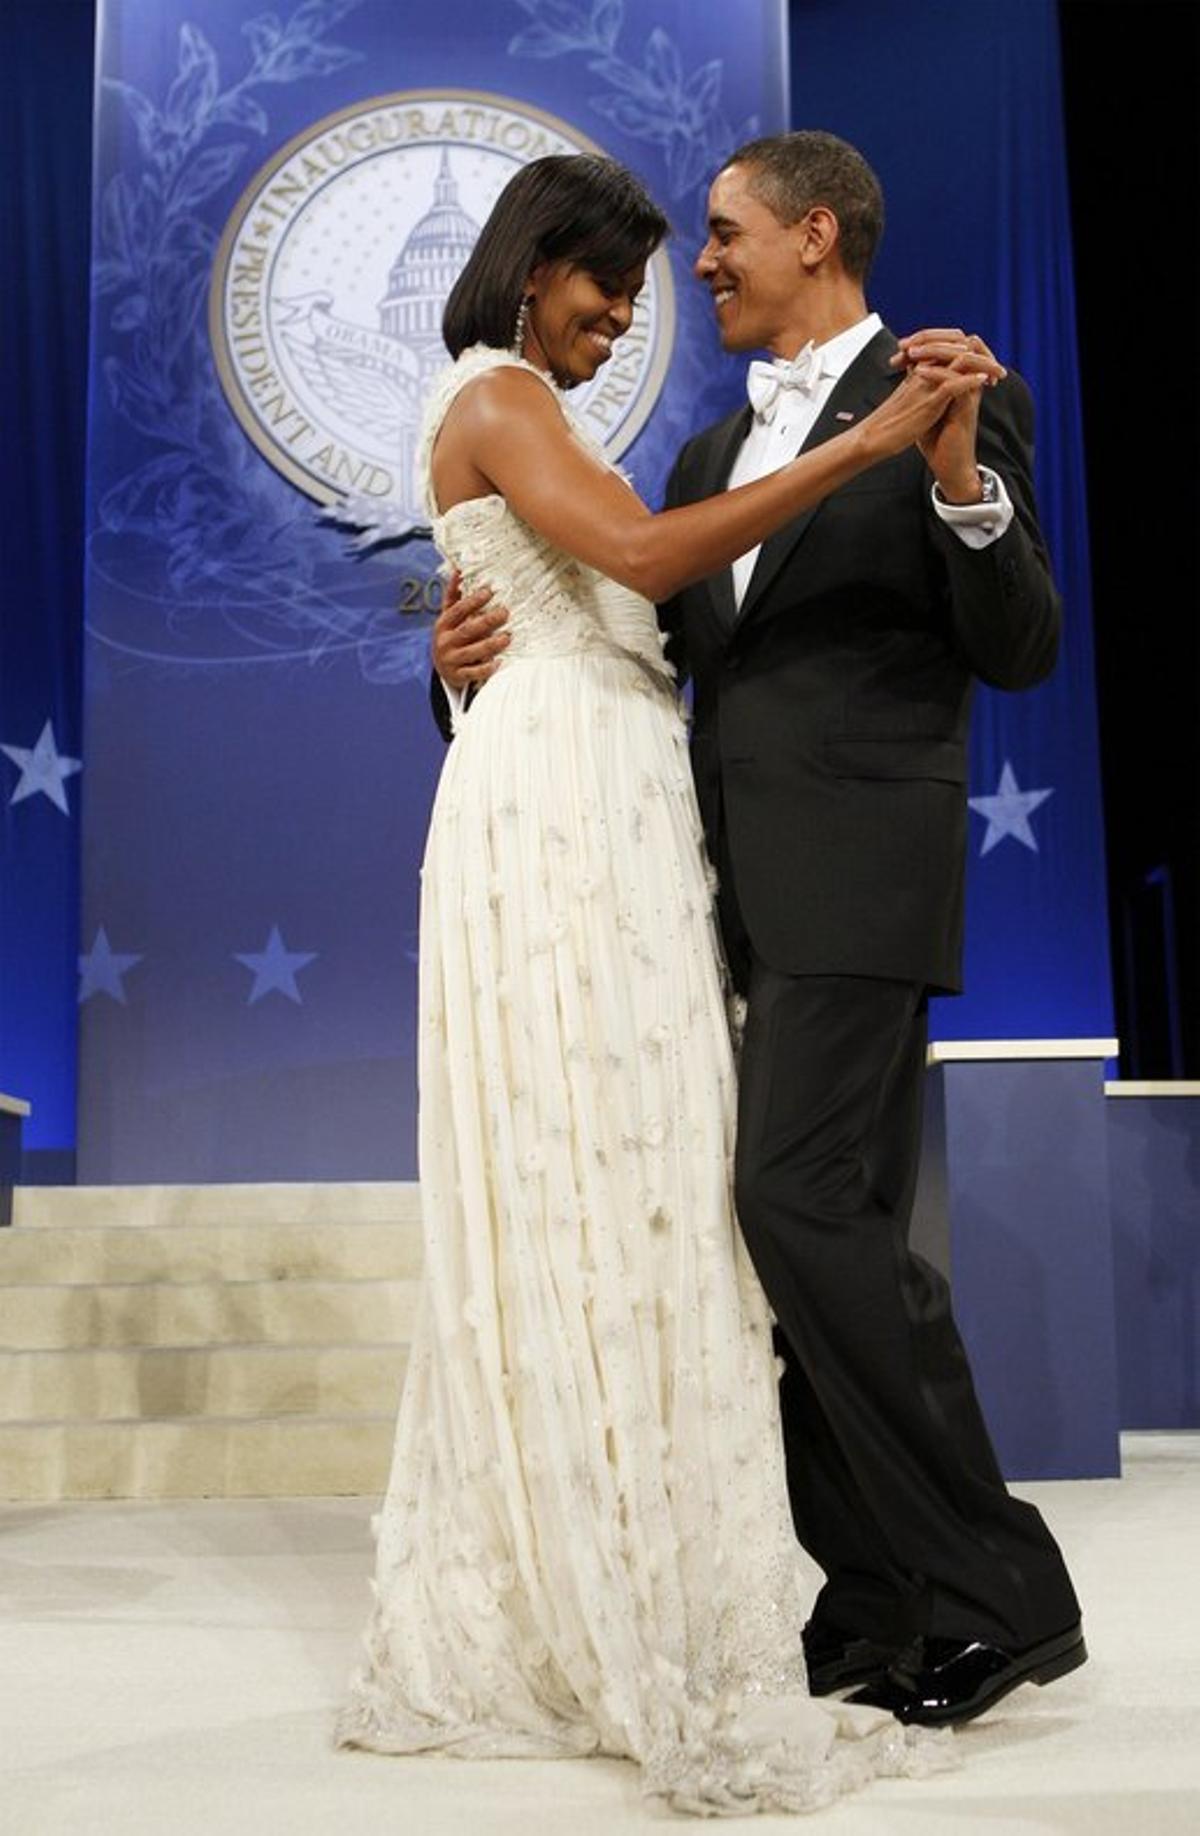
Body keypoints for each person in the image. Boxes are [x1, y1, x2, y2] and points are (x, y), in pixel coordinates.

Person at [338, 152, 993, 1813]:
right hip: (561, 832)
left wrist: (454, 633)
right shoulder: (498, 397)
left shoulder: (562, 429)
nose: (632, 311)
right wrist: (860, 448)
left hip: (638, 830)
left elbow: (628, 609)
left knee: (659, 1199)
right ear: (534, 258)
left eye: (659, 277)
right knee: (610, 1190)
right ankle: (607, 1587)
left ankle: (695, 1565)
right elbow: (632, 571)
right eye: (611, 280)